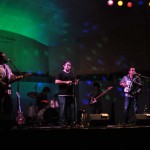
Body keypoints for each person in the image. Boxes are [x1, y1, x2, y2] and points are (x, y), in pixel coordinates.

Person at [0, 51, 23, 128]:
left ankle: (8, 124)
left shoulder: (6, 66)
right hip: (0, 90)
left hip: (8, 90)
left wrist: (19, 77)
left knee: (8, 106)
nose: (6, 57)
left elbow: (11, 76)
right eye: (4, 56)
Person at [55, 60, 79, 127]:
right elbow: (56, 81)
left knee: (73, 108)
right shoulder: (60, 73)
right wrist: (66, 82)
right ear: (64, 65)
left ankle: (73, 122)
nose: (69, 66)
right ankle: (62, 122)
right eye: (68, 65)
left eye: (70, 65)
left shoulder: (72, 74)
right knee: (62, 109)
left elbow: (75, 82)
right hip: (63, 95)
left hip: (71, 94)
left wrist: (76, 82)